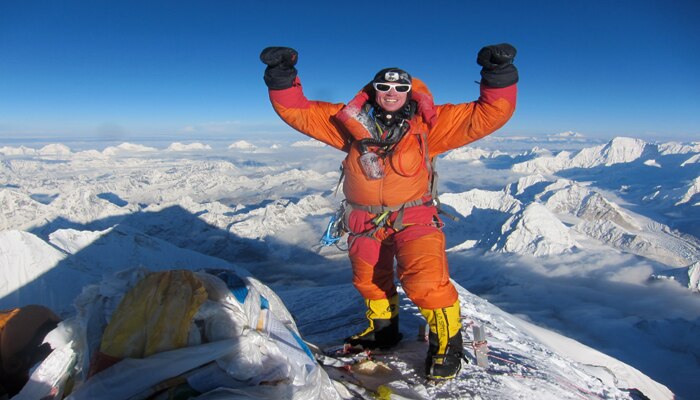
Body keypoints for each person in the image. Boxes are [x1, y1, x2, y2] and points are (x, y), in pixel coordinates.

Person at [260, 44, 518, 380]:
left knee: (425, 281)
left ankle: (447, 345)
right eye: (384, 86)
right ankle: (383, 334)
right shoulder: (347, 122)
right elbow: (297, 111)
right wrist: (282, 74)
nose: (392, 92)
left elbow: (490, 113)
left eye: (400, 87)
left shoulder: (431, 124)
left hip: (414, 217)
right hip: (364, 220)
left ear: (410, 92)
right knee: (369, 281)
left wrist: (497, 73)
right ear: (373, 91)